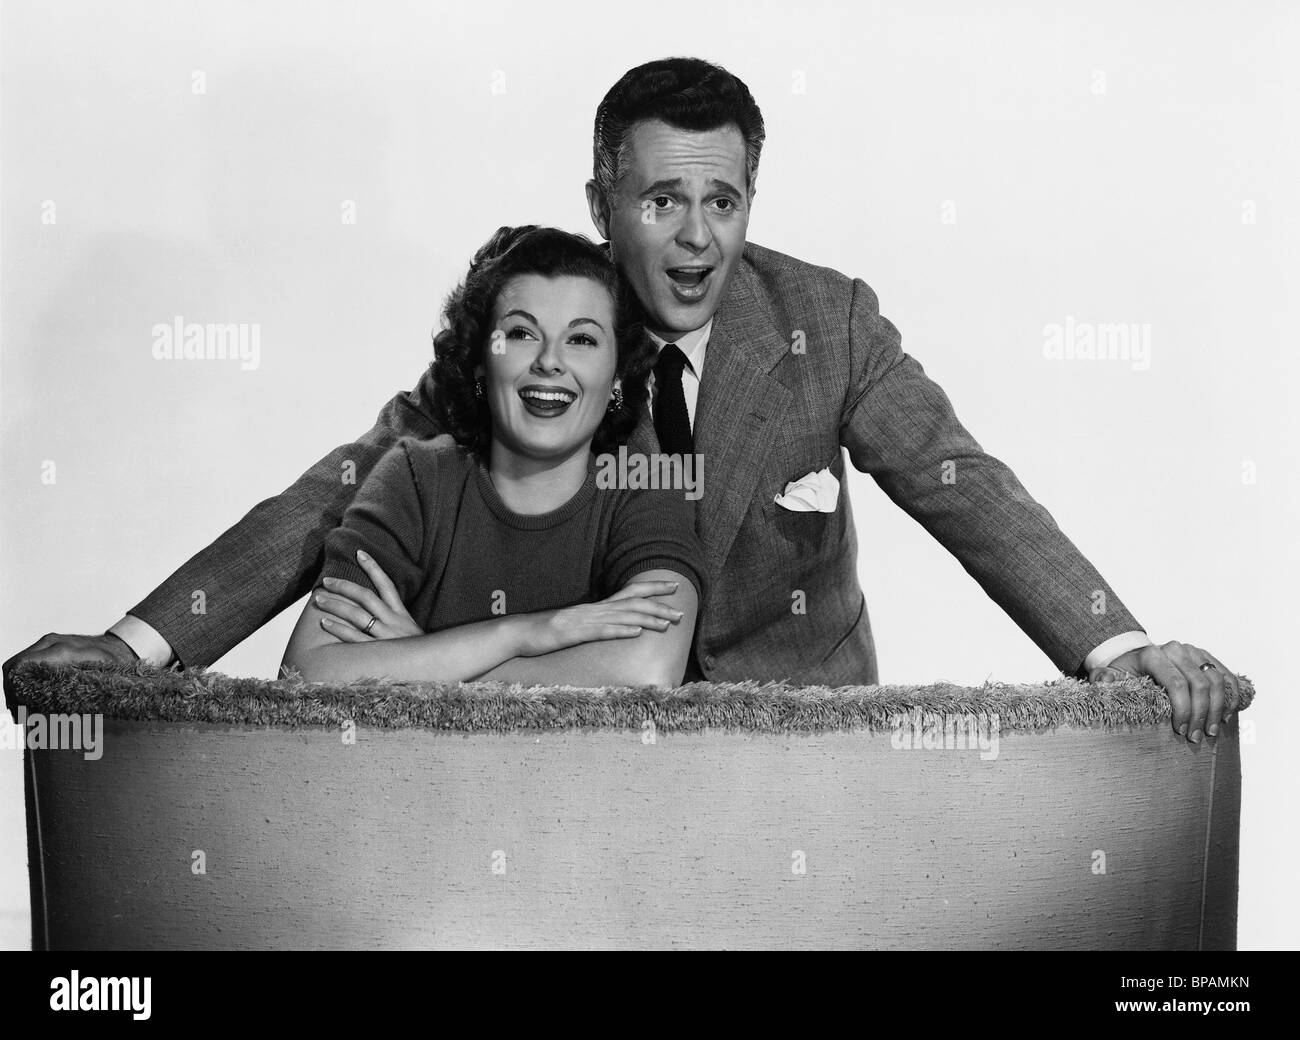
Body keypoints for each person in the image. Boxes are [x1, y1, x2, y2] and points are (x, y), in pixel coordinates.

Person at [5, 57, 1239, 744]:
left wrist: (1119, 646)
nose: (697, 239)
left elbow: (967, 486)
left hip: (808, 755)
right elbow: (337, 488)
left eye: (724, 200)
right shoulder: (547, 334)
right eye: (661, 202)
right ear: (602, 202)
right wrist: (134, 647)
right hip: (581, 750)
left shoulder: (831, 322)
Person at [281, 225, 700, 687]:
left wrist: (427, 661)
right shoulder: (417, 478)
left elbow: (648, 671)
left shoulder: (646, 487)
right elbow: (306, 671)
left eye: (581, 339)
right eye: (521, 333)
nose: (549, 361)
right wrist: (524, 633)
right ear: (481, 359)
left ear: (618, 374)